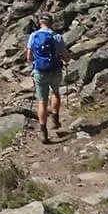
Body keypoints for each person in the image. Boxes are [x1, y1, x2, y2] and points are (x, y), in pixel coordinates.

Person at [26, 12, 70, 143]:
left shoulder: (33, 36)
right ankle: (55, 118)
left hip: (39, 71)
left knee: (42, 101)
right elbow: (65, 55)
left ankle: (44, 132)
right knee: (55, 92)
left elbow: (29, 57)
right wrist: (66, 59)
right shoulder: (56, 36)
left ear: (40, 22)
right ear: (51, 23)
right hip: (55, 70)